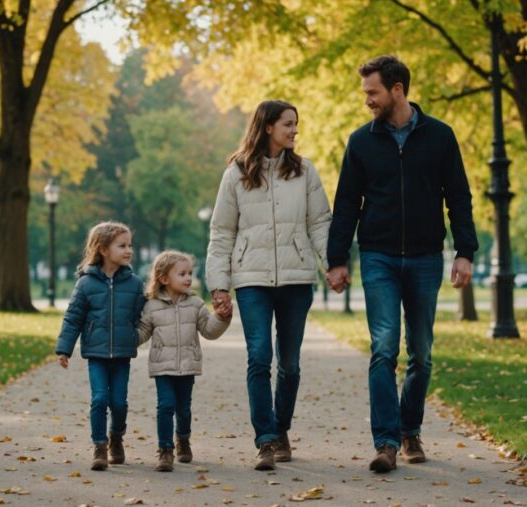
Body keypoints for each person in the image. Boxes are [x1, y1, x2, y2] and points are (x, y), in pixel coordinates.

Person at [326, 55, 478, 473]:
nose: (367, 101)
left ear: (397, 89)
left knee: (422, 354)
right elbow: (345, 205)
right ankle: (387, 442)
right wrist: (338, 259)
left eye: (373, 92)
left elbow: (459, 197)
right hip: (378, 256)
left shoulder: (440, 136)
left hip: (427, 257)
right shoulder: (360, 141)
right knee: (383, 348)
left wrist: (464, 251)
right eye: (365, 93)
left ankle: (411, 429)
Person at [206, 100, 332, 470]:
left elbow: (319, 223)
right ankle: (265, 439)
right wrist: (219, 285)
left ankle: (281, 429)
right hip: (252, 279)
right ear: (267, 127)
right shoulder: (237, 174)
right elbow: (221, 232)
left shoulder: (305, 172)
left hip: (296, 279)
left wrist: (332, 266)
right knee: (259, 356)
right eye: (288, 124)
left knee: (289, 364)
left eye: (296, 124)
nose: (294, 131)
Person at [55, 221, 145, 471]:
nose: (129, 250)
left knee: (119, 402)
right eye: (122, 245)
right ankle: (99, 446)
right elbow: (73, 317)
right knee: (99, 399)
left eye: (130, 245)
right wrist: (64, 348)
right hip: (96, 352)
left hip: (122, 354)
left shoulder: (135, 284)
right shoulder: (85, 283)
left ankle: (116, 437)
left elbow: (142, 316)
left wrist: (133, 335)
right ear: (104, 249)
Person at [137, 250, 232, 472]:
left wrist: (221, 317)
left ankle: (183, 439)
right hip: (163, 366)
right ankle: (165, 450)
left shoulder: (196, 304)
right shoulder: (151, 306)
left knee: (184, 409)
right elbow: (142, 332)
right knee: (166, 406)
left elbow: (209, 331)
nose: (188, 278)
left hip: (188, 365)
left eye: (190, 273)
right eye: (182, 274)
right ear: (164, 278)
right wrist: (125, 336)